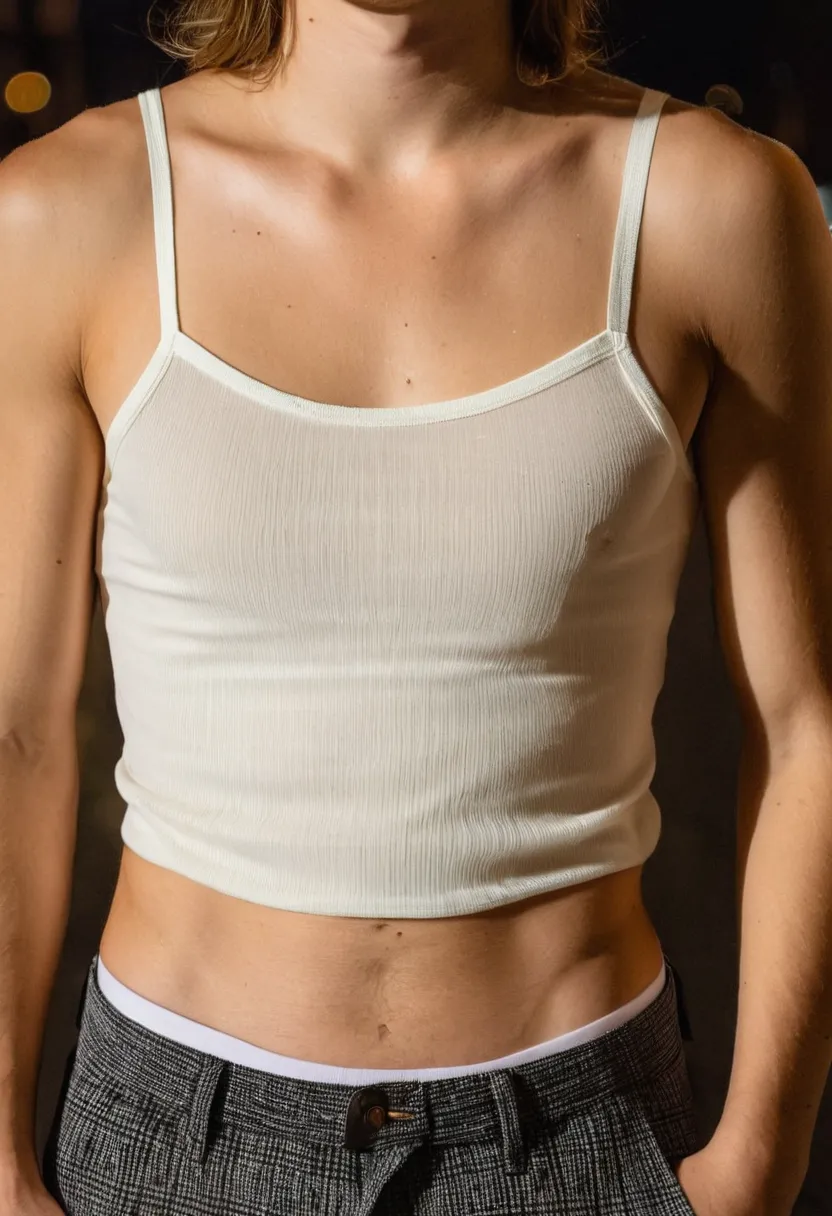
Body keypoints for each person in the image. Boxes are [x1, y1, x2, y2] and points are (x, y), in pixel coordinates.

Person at [1, 1, 831, 1213]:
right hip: (171, 1132)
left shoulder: (711, 205)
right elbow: (16, 728)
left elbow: (807, 717)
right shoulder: (65, 212)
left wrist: (762, 1153)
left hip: (581, 1128)